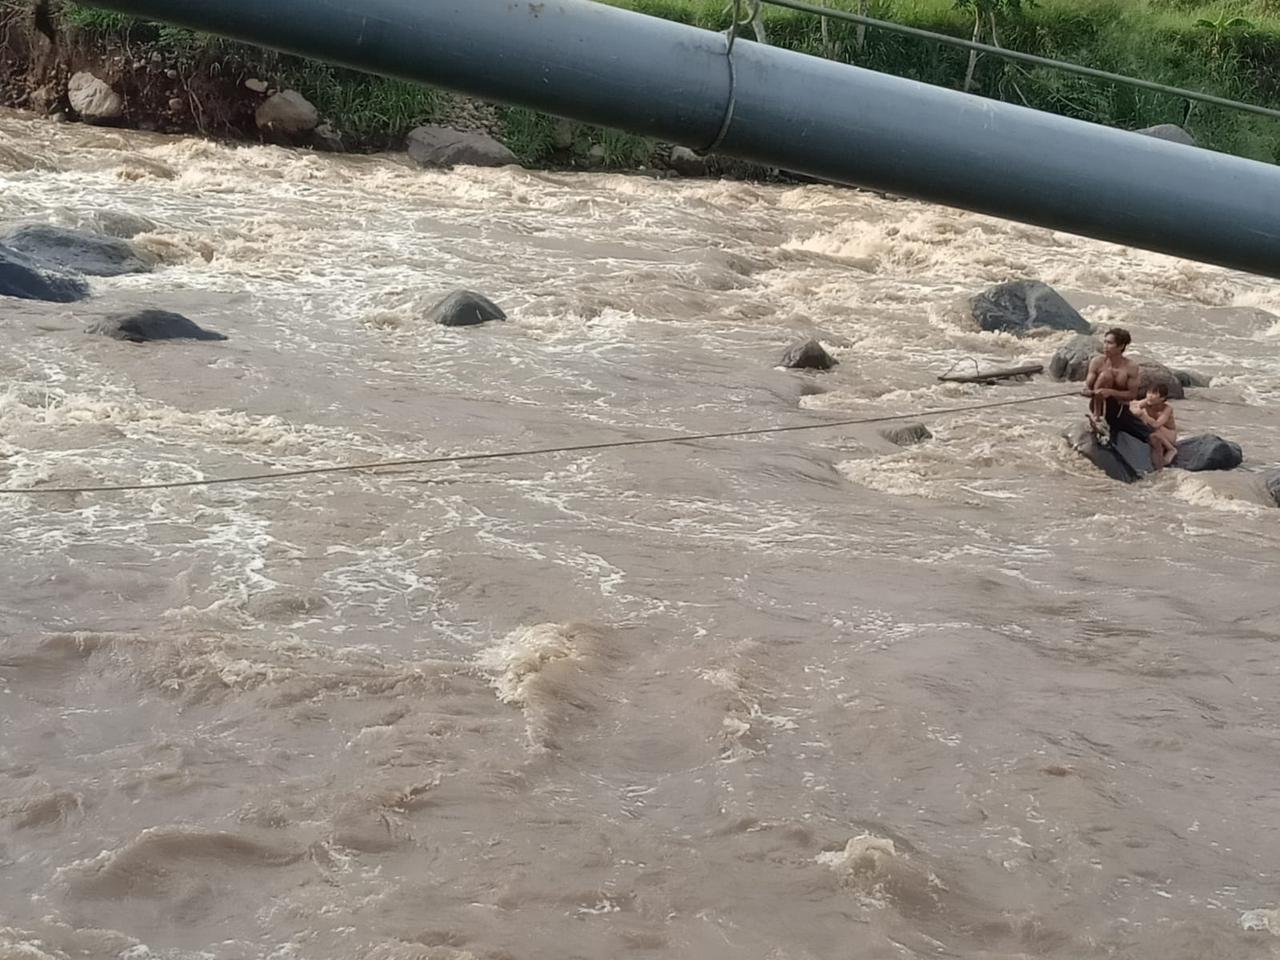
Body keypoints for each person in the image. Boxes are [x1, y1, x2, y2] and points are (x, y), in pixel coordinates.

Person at [1082, 327, 1147, 447]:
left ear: (1121, 346)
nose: (1105, 346)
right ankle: (1097, 419)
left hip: (1119, 410)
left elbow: (1133, 395)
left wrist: (1110, 392)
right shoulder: (1097, 362)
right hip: (1098, 406)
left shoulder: (1130, 367)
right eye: (1105, 342)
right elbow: (1088, 387)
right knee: (1105, 376)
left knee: (1153, 438)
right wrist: (1088, 391)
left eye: (1110, 343)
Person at [1130, 382, 1178, 469]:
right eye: (1149, 392)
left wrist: (1143, 415)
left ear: (1162, 398)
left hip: (1169, 434)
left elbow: (1157, 424)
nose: (1150, 396)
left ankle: (1171, 449)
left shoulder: (1167, 408)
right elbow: (1134, 405)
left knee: (1154, 427)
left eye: (1154, 393)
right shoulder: (1148, 402)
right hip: (1157, 432)